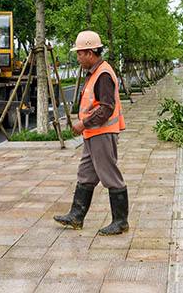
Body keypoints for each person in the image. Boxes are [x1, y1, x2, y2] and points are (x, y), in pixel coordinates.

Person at [54, 31, 129, 236]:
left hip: (102, 133)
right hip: (93, 133)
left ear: (90, 52)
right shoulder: (94, 73)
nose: (78, 58)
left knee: (110, 175)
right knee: (86, 174)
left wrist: (83, 123)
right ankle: (76, 216)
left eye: (80, 54)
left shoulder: (103, 74)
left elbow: (106, 108)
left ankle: (120, 222)